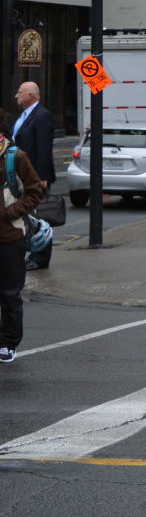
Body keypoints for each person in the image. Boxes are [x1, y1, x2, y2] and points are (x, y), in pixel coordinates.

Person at [1, 111, 46, 364]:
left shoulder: (15, 157)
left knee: (9, 293)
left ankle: (8, 342)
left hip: (9, 235)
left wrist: (11, 212)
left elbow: (34, 191)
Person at [13, 82, 55, 271]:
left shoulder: (42, 116)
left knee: (40, 217)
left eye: (20, 93)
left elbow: (44, 148)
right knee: (30, 217)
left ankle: (41, 257)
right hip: (23, 175)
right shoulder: (25, 115)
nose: (16, 96)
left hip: (36, 177)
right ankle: (34, 254)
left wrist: (42, 177)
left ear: (30, 94)